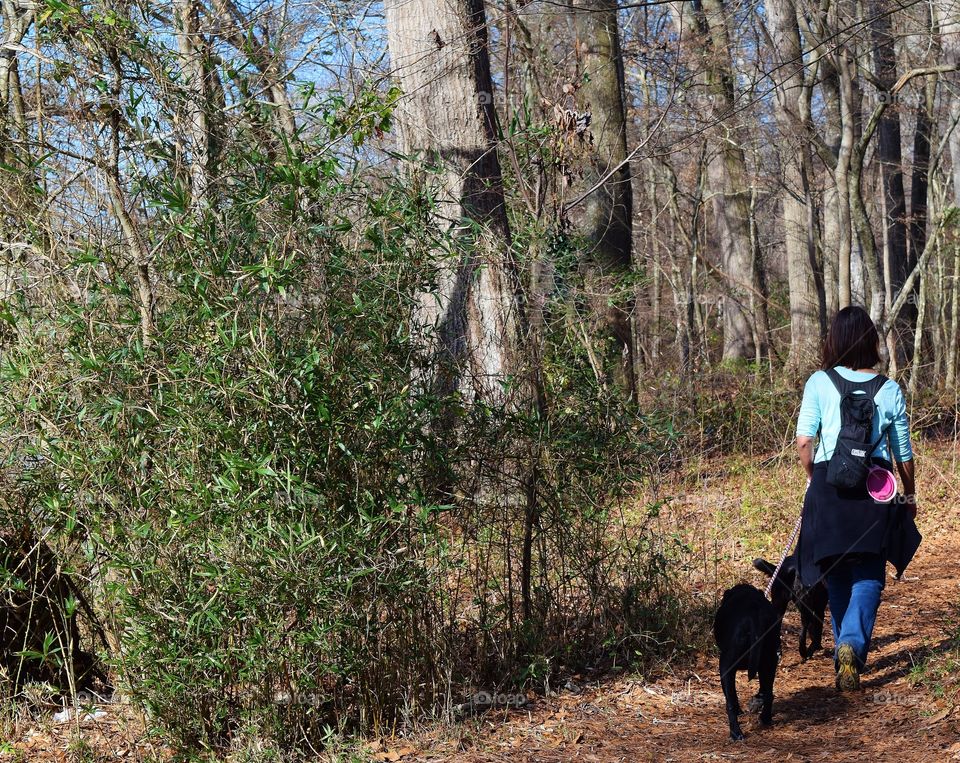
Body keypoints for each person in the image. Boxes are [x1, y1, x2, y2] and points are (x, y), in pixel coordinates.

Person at [794, 306, 916, 692]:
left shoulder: (818, 382)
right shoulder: (890, 389)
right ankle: (851, 645)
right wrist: (909, 496)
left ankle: (845, 650)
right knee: (868, 573)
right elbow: (903, 452)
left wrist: (816, 477)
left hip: (828, 484)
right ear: (871, 342)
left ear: (834, 340)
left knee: (835, 571)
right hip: (876, 488)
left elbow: (803, 441)